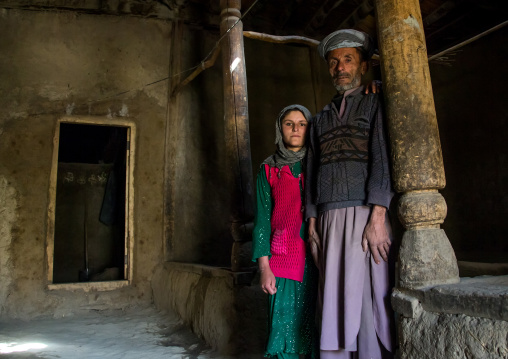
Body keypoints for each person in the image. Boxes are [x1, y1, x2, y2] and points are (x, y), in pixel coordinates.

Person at [305, 29, 395, 359]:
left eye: (347, 59)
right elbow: (312, 171)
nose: (339, 67)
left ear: (363, 65)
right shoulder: (319, 119)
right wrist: (312, 218)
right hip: (328, 217)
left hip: (366, 214)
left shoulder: (375, 104)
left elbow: (383, 160)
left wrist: (378, 217)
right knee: (333, 296)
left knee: (370, 297)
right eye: (333, 62)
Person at [252, 104, 318, 359]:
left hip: (316, 257)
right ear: (280, 128)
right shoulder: (268, 169)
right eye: (289, 123)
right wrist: (264, 267)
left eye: (302, 124)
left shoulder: (318, 164)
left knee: (313, 324)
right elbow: (262, 221)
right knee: (283, 326)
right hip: (282, 259)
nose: (296, 129)